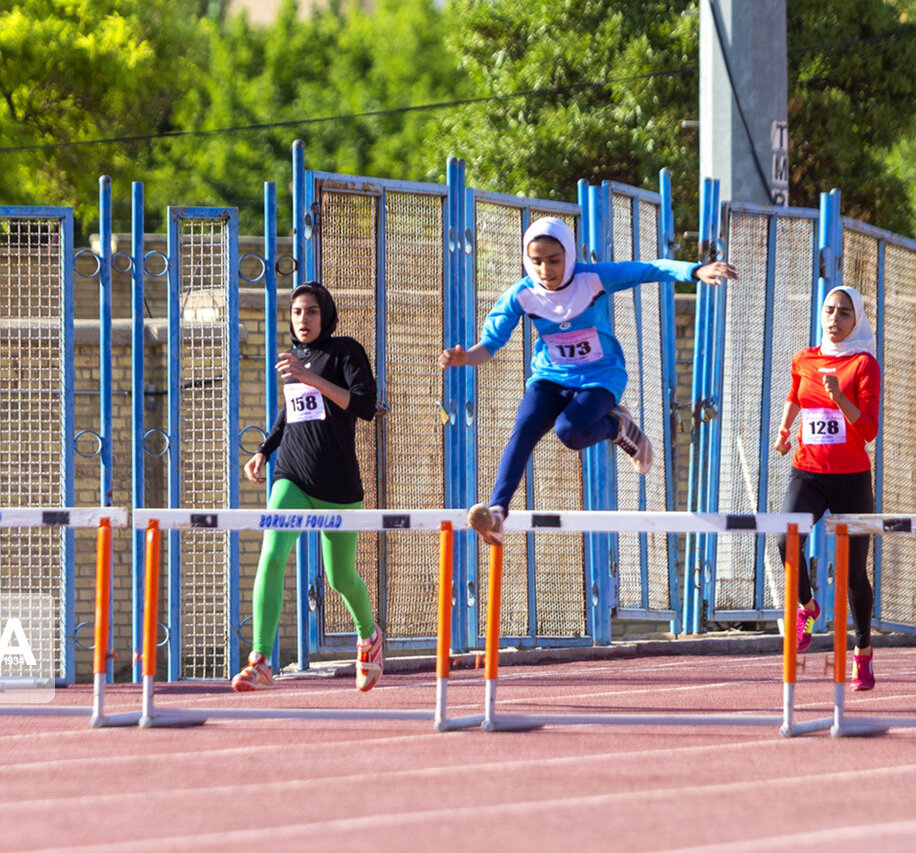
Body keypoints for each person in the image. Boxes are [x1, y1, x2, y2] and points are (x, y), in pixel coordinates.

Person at [440, 216, 736, 544]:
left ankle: (617, 427)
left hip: (600, 377)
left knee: (570, 432)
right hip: (551, 377)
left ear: (569, 254)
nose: (545, 271)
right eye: (536, 262)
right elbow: (490, 345)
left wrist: (695, 271)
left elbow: (648, 269)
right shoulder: (522, 294)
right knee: (524, 427)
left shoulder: (592, 279)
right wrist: (467, 356)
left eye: (554, 261)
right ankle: (497, 511)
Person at [234, 282, 384, 692]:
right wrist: (265, 451)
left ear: (326, 314)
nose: (304, 320)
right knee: (272, 554)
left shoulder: (345, 352)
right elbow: (290, 412)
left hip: (338, 486)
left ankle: (368, 636)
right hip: (292, 477)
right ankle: (262, 659)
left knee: (339, 577)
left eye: (312, 311)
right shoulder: (293, 359)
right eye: (297, 312)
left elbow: (365, 406)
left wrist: (311, 378)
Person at [774, 285, 881, 691]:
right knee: (786, 538)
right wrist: (785, 430)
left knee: (854, 575)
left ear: (857, 322)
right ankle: (807, 607)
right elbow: (795, 396)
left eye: (844, 314)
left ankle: (864, 652)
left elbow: (868, 430)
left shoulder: (863, 364)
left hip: (852, 479)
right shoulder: (805, 358)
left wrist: (839, 398)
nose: (835, 320)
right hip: (809, 473)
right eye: (830, 311)